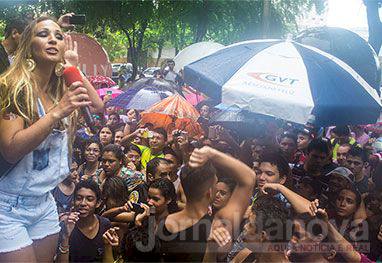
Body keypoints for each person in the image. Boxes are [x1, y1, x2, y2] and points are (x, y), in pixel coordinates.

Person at [0, 16, 103, 260]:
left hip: (44, 203)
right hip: (9, 206)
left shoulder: (59, 88)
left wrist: (73, 67)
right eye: (43, 34)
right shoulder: (14, 86)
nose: (53, 40)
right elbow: (11, 149)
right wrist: (58, 112)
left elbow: (96, 105)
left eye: (58, 36)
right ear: (28, 44)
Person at [157, 146, 254, 262]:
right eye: (215, 184)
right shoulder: (217, 226)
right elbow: (249, 178)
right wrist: (211, 153)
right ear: (209, 192)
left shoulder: (165, 222)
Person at [207, 195, 289, 263]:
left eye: (250, 224)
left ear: (262, 236)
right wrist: (211, 249)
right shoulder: (246, 255)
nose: (245, 226)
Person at [57, 180, 112, 262]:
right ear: (73, 201)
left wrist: (107, 245)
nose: (83, 203)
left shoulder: (105, 224)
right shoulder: (65, 226)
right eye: (79, 198)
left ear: (98, 203)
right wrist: (66, 237)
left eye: (89, 199)